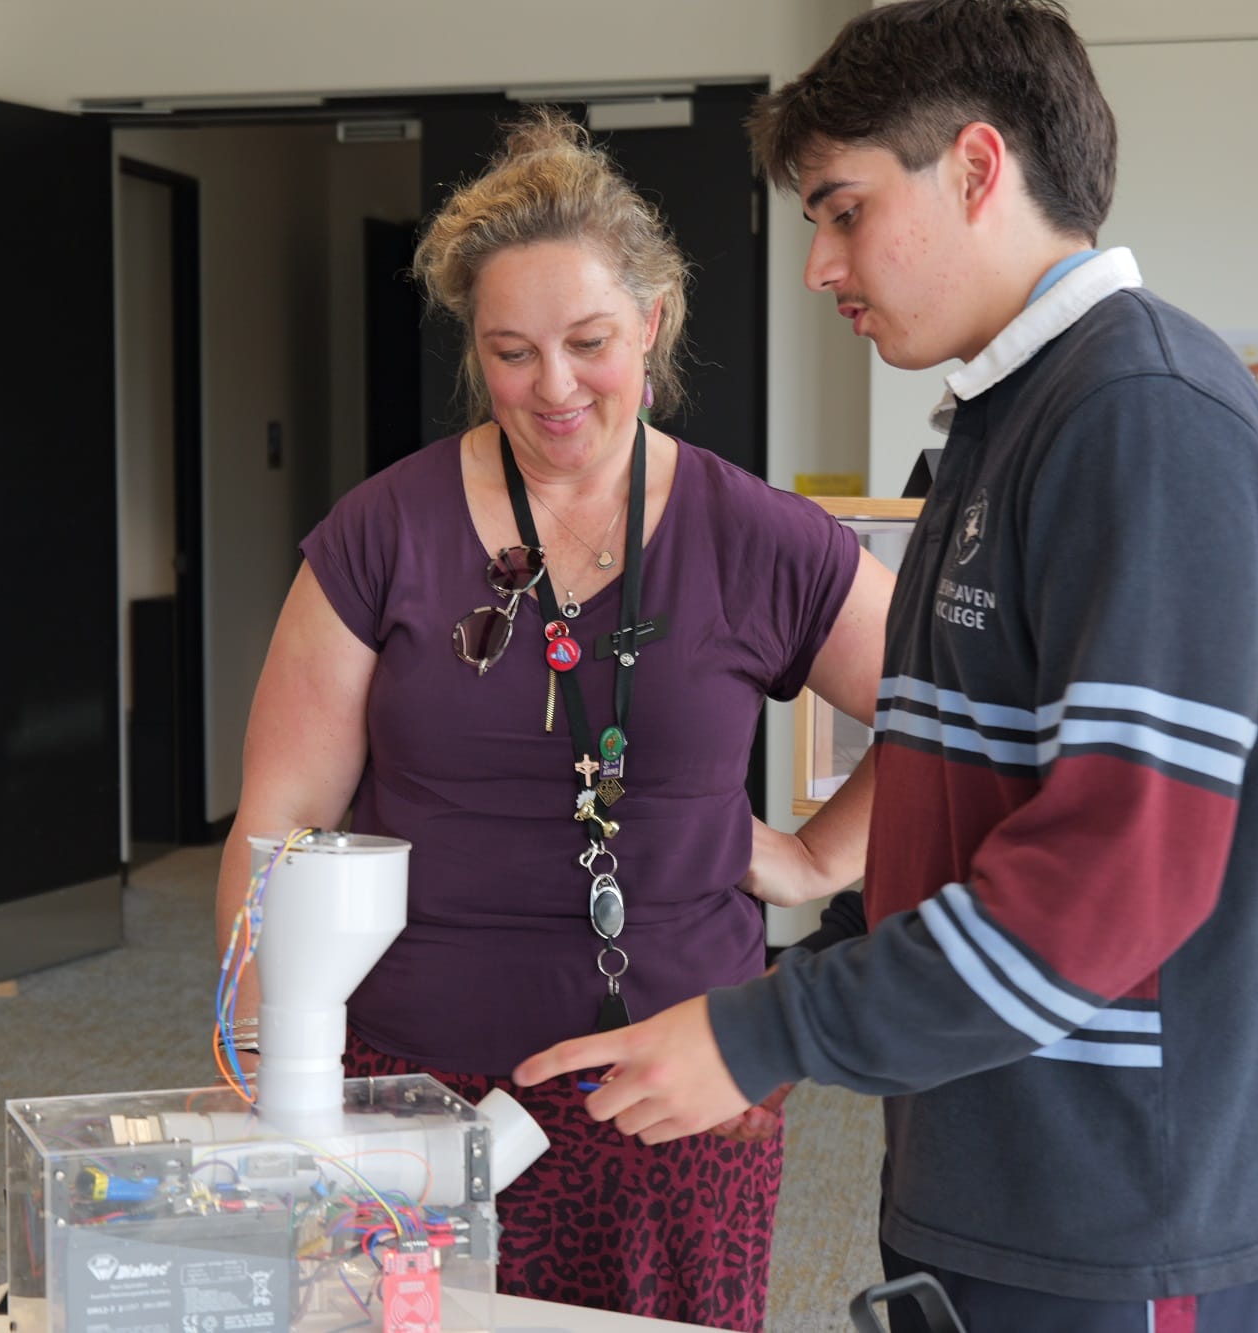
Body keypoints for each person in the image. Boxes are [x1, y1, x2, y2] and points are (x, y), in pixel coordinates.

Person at [516, 3, 1258, 1330]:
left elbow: (1116, 877)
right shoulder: (995, 428)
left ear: (975, 166)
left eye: (841, 211)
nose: (818, 266)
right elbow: (968, 814)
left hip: (1126, 1206)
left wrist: (770, 1034)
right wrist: (793, 990)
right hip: (995, 1165)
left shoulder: (1143, 419)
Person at [216, 109, 895, 1330]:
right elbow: (282, 813)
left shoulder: (756, 535)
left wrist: (812, 858)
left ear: (653, 320)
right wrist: (268, 1069)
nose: (554, 386)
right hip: (404, 1090)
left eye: (588, 341)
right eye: (510, 351)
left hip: (675, 1085)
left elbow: (955, 712)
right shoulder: (381, 533)